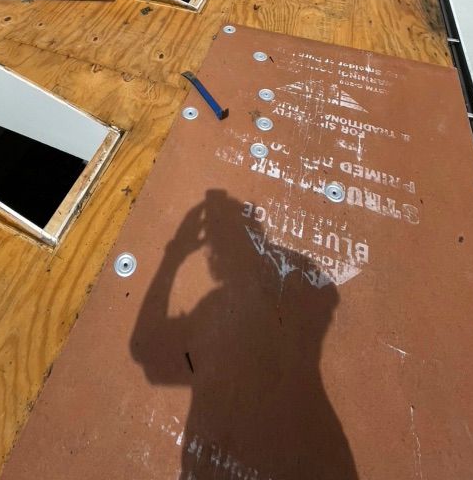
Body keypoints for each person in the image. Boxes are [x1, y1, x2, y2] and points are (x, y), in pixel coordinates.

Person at [130, 189, 358, 479]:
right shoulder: (309, 292)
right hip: (321, 454)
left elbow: (146, 352)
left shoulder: (218, 306)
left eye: (214, 244)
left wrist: (174, 255)